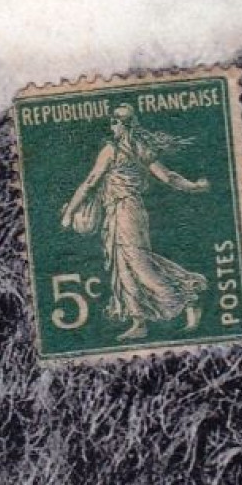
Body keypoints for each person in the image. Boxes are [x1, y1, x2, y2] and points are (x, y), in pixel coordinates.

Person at [59, 104, 210, 342]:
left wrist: (71, 212)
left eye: (115, 121)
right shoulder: (140, 149)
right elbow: (168, 177)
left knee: (137, 263)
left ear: (125, 124)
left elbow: (90, 182)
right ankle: (139, 321)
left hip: (125, 210)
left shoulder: (114, 150)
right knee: (124, 264)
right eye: (112, 121)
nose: (112, 126)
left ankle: (188, 297)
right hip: (123, 211)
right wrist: (194, 186)